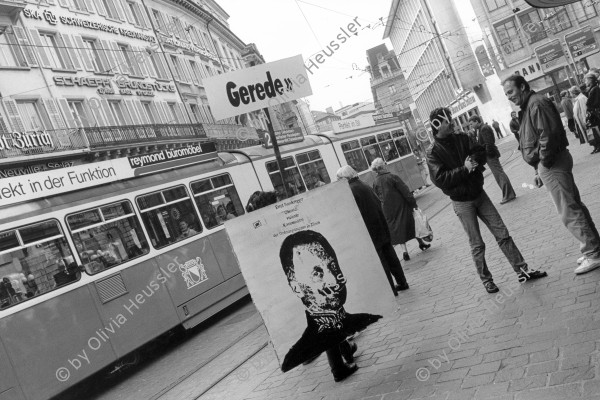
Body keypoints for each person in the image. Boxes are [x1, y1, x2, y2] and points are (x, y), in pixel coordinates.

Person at [245, 192, 365, 382]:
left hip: (288, 285)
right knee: (323, 319)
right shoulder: (279, 225)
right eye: (277, 203)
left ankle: (345, 351)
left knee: (326, 315)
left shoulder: (261, 231)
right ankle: (338, 368)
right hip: (298, 281)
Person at [426, 107, 547, 293]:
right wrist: (464, 169)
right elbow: (441, 179)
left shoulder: (463, 138)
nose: (450, 122)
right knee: (477, 244)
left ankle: (523, 271)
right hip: (461, 202)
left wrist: (472, 161)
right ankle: (487, 280)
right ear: (437, 125)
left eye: (449, 118)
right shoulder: (433, 152)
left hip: (479, 194)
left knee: (502, 233)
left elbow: (480, 153)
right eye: (446, 120)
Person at [503, 74, 600, 274]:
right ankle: (594, 247)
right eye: (506, 94)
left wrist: (543, 163)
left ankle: (593, 252)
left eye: (511, 91)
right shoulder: (532, 104)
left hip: (552, 163)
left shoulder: (535, 104)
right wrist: (538, 167)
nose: (509, 97)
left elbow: (548, 135)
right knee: (574, 206)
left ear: (522, 87)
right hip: (551, 162)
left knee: (568, 210)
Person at [279, 230, 381, 380]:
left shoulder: (368, 317)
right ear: (296, 287)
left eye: (333, 267)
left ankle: (346, 349)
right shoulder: (292, 357)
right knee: (327, 330)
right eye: (317, 273)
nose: (334, 280)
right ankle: (338, 366)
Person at [337, 165, 409, 294]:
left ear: (344, 178)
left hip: (370, 231)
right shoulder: (363, 185)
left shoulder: (350, 190)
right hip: (381, 226)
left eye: (338, 179)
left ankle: (391, 290)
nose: (338, 182)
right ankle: (402, 282)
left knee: (382, 261)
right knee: (391, 257)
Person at [370, 158, 431, 261]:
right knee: (413, 224)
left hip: (388, 210)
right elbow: (406, 192)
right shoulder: (393, 177)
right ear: (383, 166)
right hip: (401, 206)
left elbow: (377, 196)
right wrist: (413, 204)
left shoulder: (375, 182)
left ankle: (405, 252)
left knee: (398, 230)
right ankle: (421, 243)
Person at [469, 115, 516, 204]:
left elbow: (489, 143)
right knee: (499, 174)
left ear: (476, 121)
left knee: (499, 174)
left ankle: (508, 195)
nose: (471, 126)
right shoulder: (481, 129)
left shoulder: (484, 128)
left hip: (490, 155)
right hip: (489, 155)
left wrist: (488, 154)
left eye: (471, 124)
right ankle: (509, 194)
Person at [585, 72, 600, 154]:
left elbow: (595, 101)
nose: (585, 82)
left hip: (595, 112)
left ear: (590, 80)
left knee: (596, 128)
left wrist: (589, 106)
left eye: (586, 80)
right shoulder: (592, 88)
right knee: (594, 128)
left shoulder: (595, 88)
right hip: (593, 112)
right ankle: (597, 145)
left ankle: (598, 145)